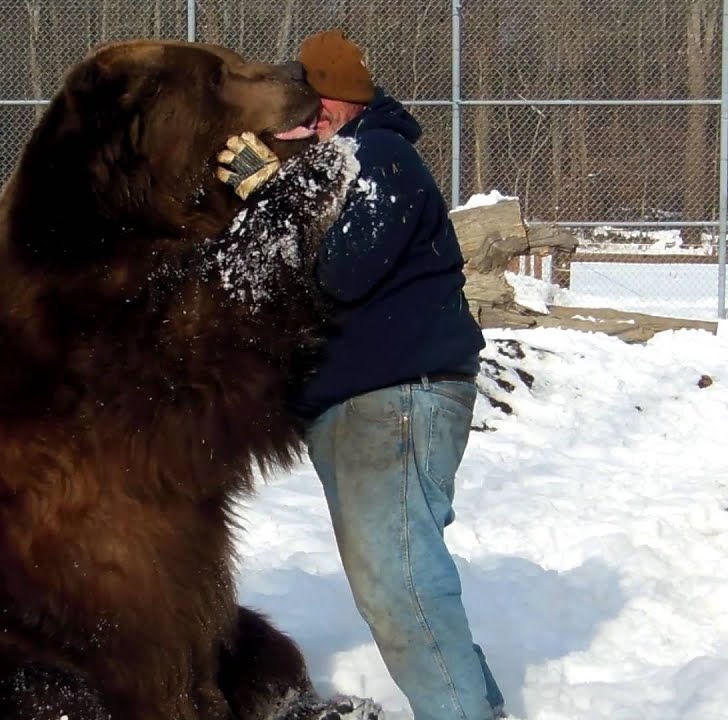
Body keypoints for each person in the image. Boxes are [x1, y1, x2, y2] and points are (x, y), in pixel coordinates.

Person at [216, 30, 506, 720]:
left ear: (338, 103)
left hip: (394, 396)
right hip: (369, 401)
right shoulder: (340, 161)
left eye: (311, 107)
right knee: (405, 579)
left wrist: (272, 187)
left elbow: (343, 273)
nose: (303, 124)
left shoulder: (377, 155)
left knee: (398, 583)